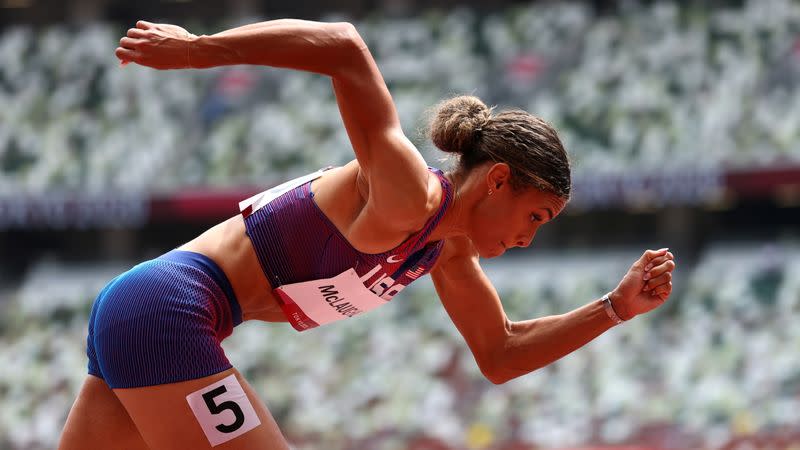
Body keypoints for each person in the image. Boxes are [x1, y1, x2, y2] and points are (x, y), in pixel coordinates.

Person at [59, 19, 676, 450]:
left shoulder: (446, 246)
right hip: (170, 306)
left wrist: (615, 309)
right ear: (497, 181)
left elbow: (500, 353)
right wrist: (197, 50)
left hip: (149, 310)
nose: (528, 239)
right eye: (534, 217)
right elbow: (344, 47)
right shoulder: (408, 193)